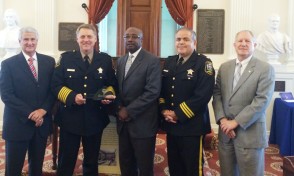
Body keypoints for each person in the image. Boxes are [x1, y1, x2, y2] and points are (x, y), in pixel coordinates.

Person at [51, 24, 117, 176]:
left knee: (91, 161)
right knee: (66, 160)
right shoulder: (66, 58)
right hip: (70, 118)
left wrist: (106, 95)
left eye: (89, 37)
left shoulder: (105, 60)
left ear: (95, 39)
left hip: (95, 118)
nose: (86, 40)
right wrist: (72, 96)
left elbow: (111, 84)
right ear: (77, 39)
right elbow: (55, 84)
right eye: (83, 37)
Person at [212, 30, 275, 176]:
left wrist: (235, 122)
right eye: (240, 41)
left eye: (247, 41)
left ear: (255, 45)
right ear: (234, 45)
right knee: (227, 172)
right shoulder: (224, 67)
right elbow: (217, 94)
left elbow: (262, 100)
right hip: (226, 133)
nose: (243, 44)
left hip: (250, 134)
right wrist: (222, 121)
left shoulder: (265, 69)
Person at [159, 27, 215, 176]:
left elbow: (203, 95)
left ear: (194, 42)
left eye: (186, 39)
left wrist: (177, 113)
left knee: (192, 167)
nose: (181, 42)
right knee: (174, 164)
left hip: (192, 125)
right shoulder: (170, 62)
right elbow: (162, 91)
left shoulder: (204, 64)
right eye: (178, 39)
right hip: (171, 124)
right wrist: (164, 110)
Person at [0, 27, 55, 176]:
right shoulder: (8, 64)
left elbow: (53, 91)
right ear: (20, 41)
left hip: (41, 124)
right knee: (13, 168)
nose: (29, 43)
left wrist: (42, 111)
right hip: (18, 124)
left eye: (33, 39)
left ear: (37, 41)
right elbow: (6, 95)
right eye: (26, 39)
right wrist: (31, 113)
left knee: (36, 168)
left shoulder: (49, 62)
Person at [116, 27, 161, 176]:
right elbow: (119, 89)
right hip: (123, 124)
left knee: (144, 166)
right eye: (126, 36)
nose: (129, 39)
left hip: (143, 124)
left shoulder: (152, 60)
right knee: (126, 164)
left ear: (141, 40)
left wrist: (128, 110)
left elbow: (152, 91)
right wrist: (118, 108)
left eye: (134, 36)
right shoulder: (121, 60)